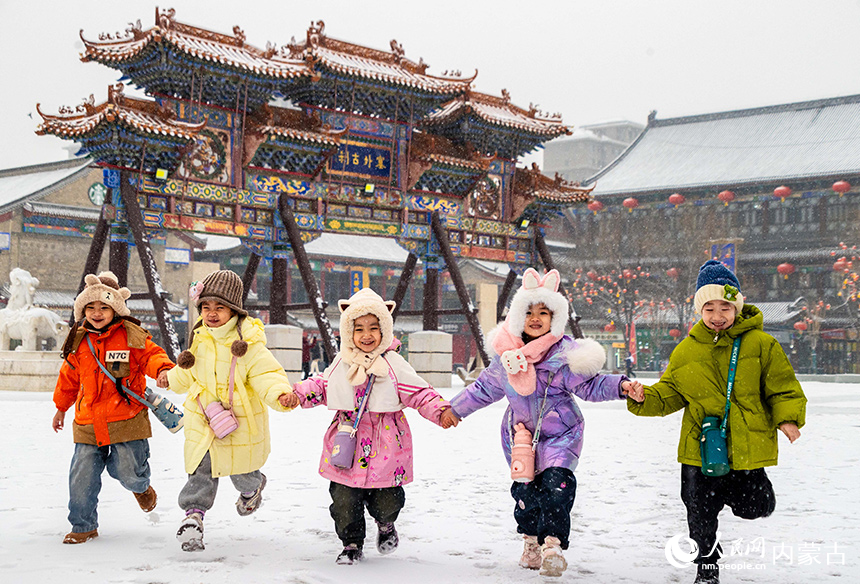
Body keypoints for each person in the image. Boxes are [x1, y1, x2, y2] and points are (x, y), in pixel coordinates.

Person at [441, 268, 643, 577]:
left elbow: (591, 384)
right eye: (529, 312)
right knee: (526, 494)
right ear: (518, 317)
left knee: (557, 486)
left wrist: (621, 386)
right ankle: (530, 541)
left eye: (544, 312)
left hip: (561, 434)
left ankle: (552, 545)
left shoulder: (564, 357)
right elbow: (483, 389)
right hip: (521, 437)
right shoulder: (506, 358)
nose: (536, 318)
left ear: (555, 319)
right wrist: (455, 409)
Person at [627, 260, 807, 584]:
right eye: (708, 307)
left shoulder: (762, 345)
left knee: (757, 506)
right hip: (701, 447)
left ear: (737, 306)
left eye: (725, 306)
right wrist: (644, 398)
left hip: (745, 447)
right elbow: (669, 394)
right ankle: (707, 567)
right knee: (699, 515)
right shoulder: (686, 351)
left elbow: (782, 387)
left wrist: (788, 419)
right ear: (700, 310)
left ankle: (730, 497)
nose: (717, 315)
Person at [281, 288, 456, 565]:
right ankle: (351, 543)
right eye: (358, 328)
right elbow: (321, 385)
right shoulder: (342, 362)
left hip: (386, 445)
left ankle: (386, 523)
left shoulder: (394, 364)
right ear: (348, 331)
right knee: (343, 500)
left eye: (374, 328)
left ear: (384, 329)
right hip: (346, 442)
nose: (366, 335)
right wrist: (297, 394)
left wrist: (441, 410)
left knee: (387, 499)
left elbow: (420, 393)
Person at [168, 270, 296, 552]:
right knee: (200, 470)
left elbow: (267, 374)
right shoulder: (199, 339)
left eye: (219, 307)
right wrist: (172, 377)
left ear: (234, 310)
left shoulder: (249, 345)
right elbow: (188, 373)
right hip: (203, 419)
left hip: (239, 423)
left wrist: (279, 394)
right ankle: (193, 518)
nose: (211, 314)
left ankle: (253, 489)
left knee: (243, 473)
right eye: (206, 307)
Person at [52, 271, 174, 544]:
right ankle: (83, 525)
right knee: (81, 477)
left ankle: (141, 487)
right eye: (90, 307)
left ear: (115, 309)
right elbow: (69, 376)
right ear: (82, 310)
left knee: (128, 472)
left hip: (126, 417)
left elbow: (151, 355)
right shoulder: (78, 340)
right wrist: (61, 407)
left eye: (104, 307)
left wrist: (164, 370)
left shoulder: (130, 334)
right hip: (87, 421)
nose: (96, 313)